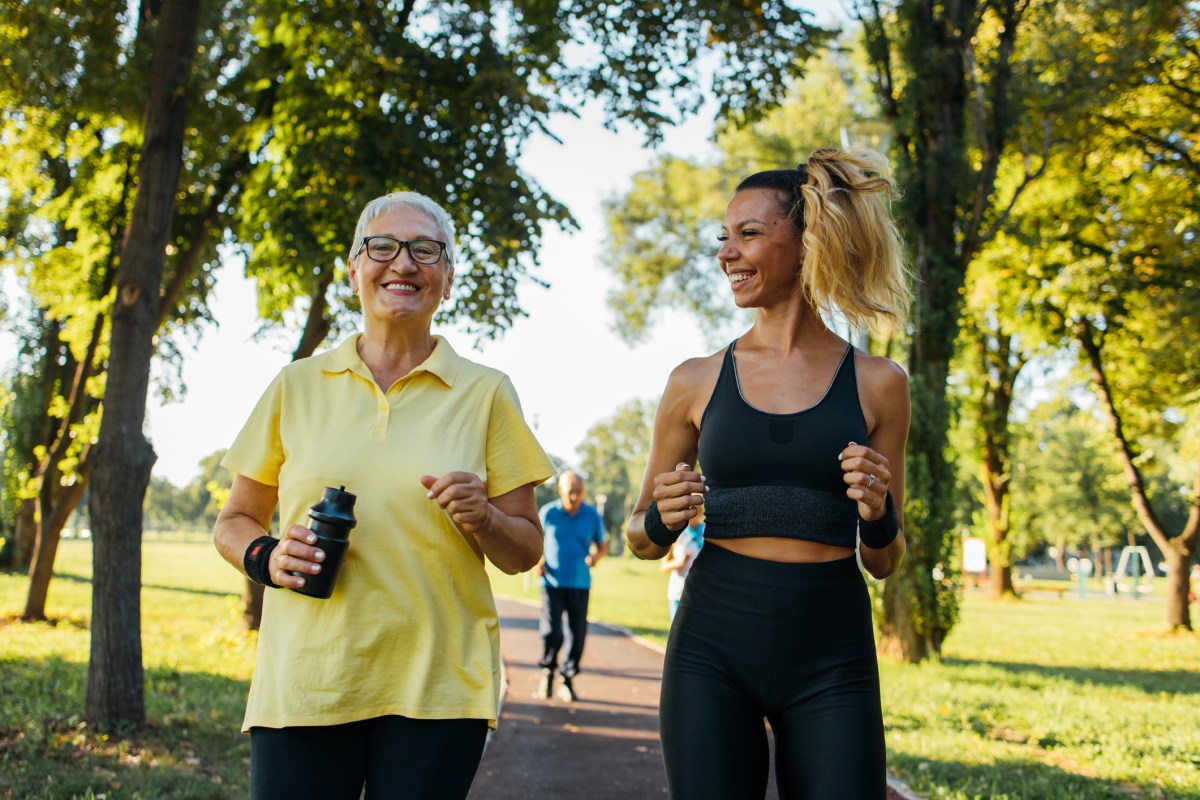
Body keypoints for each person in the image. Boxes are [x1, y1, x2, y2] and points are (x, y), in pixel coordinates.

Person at [212, 191, 555, 800]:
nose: (403, 263)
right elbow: (235, 519)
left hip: (439, 689)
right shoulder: (296, 384)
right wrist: (266, 557)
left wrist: (483, 518)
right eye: (382, 247)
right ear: (354, 269)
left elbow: (524, 549)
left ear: (446, 279)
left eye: (425, 250)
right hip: (306, 685)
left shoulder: (487, 392)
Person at [626, 147, 912, 799]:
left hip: (832, 655)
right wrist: (660, 517)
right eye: (724, 238)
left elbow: (887, 561)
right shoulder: (693, 381)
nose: (728, 253)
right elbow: (639, 543)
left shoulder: (879, 384)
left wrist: (878, 511)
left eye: (749, 234)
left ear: (809, 241)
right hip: (711, 649)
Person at [534, 470, 607, 702]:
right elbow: (533, 541)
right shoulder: (548, 513)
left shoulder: (591, 515)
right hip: (551, 582)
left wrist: (595, 558)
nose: (575, 497)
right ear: (560, 490)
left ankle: (567, 677)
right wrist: (537, 562)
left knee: (577, 635)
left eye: (579, 492)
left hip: (579, 583)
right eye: (570, 492)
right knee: (552, 631)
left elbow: (602, 546)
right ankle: (548, 671)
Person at [660, 514, 704, 622]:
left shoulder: (707, 533)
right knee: (678, 635)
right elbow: (663, 566)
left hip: (701, 595)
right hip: (678, 594)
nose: (691, 514)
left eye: (695, 509)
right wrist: (679, 562)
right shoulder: (676, 534)